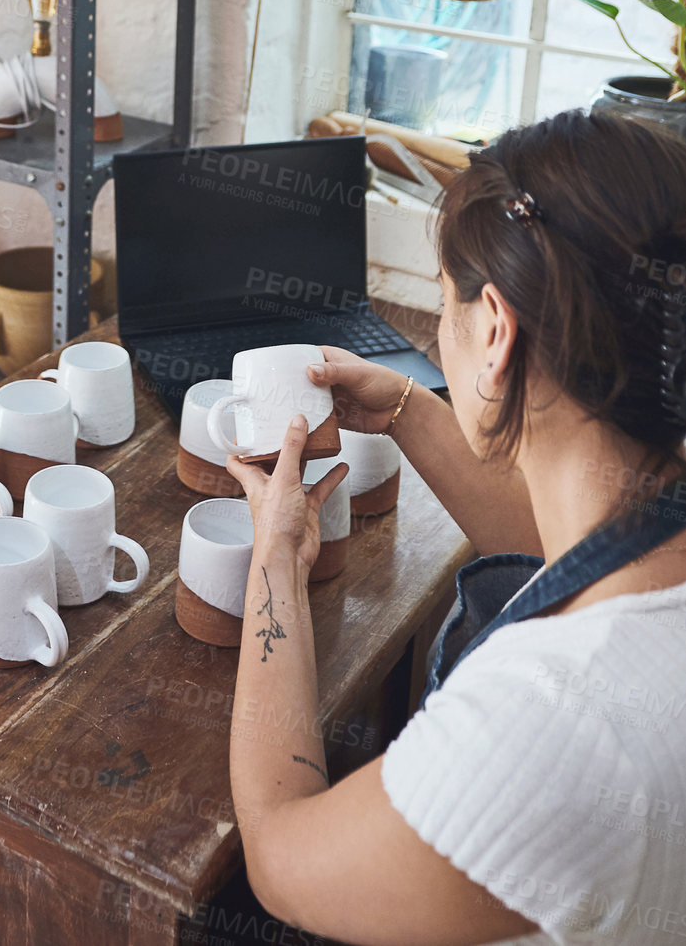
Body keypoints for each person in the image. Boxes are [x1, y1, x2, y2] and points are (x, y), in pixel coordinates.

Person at [227, 110, 686, 946]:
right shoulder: (657, 518)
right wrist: (408, 408)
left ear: (497, 333)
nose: (439, 336)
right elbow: (570, 558)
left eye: (445, 307)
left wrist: (276, 565)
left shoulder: (544, 730)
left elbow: (279, 855)